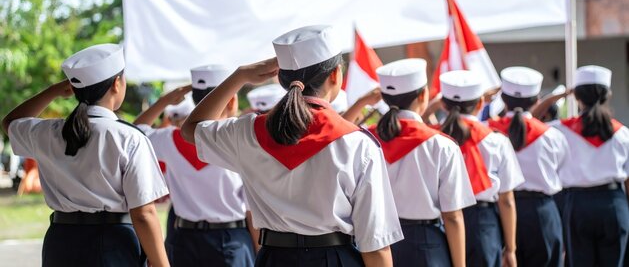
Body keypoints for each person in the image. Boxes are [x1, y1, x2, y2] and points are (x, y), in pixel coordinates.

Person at [181, 25, 403, 267]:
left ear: (281, 78)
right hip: (334, 258)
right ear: (334, 75)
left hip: (273, 258)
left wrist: (240, 76)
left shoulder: (247, 132)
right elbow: (376, 244)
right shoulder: (358, 143)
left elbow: (191, 127)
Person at [1, 44, 169, 267]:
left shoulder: (47, 132)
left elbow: (10, 123)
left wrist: (54, 91)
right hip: (113, 243)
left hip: (60, 242)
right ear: (117, 84)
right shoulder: (128, 137)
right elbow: (144, 213)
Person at [345, 58, 475, 267]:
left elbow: (337, 132)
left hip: (375, 243)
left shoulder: (364, 139)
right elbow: (452, 216)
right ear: (423, 95)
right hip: (426, 243)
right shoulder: (442, 145)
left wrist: (362, 102)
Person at [135, 66, 256, 267]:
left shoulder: (168, 139)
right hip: (231, 240)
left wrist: (165, 101)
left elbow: (135, 132)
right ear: (232, 100)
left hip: (183, 238)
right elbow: (252, 211)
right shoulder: (242, 139)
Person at [437, 70, 524, 267]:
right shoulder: (497, 140)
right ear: (480, 104)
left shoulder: (431, 139)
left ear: (443, 104)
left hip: (440, 222)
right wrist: (510, 249)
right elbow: (507, 200)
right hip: (483, 223)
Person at [487, 67, 568, 267]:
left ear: (503, 99)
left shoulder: (486, 133)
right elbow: (562, 170)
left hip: (498, 214)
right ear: (536, 100)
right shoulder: (553, 136)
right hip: (541, 213)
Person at [553, 65, 629, 267]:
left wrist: (560, 95)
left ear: (576, 96)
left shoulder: (561, 130)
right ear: (608, 95)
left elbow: (530, 121)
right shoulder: (623, 134)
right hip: (613, 204)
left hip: (578, 205)